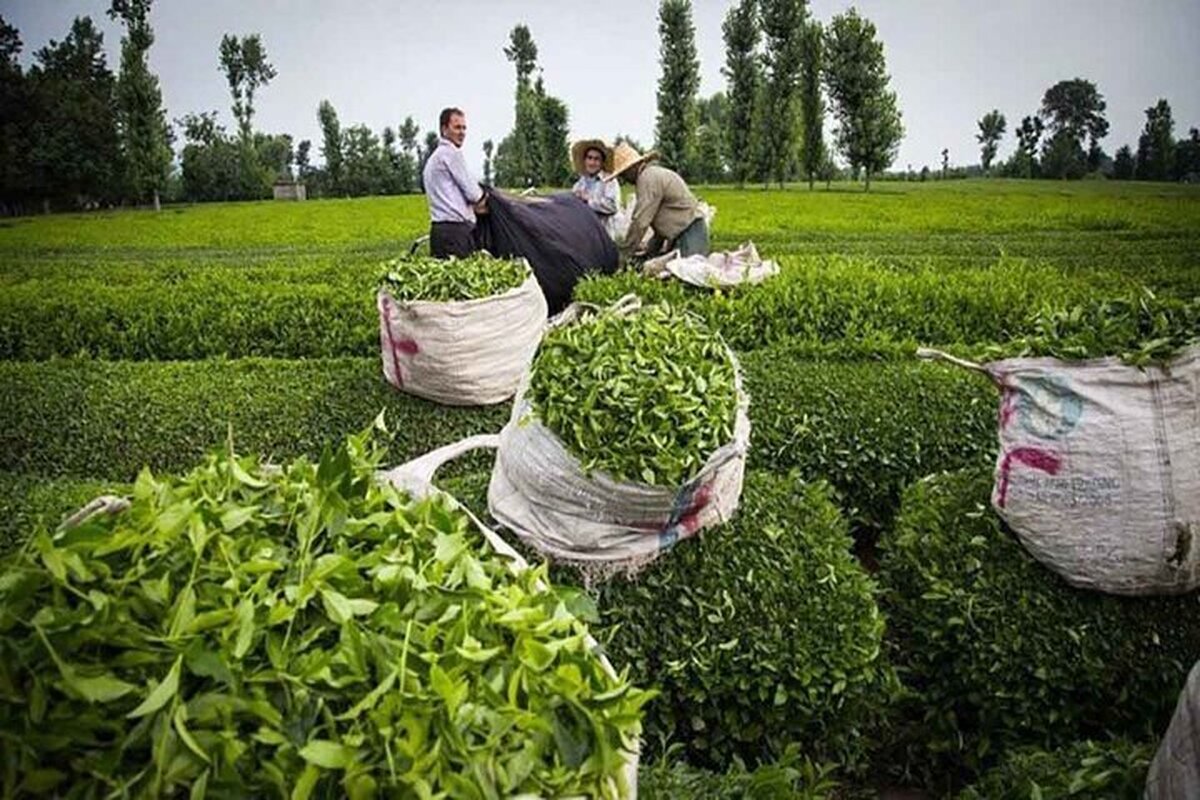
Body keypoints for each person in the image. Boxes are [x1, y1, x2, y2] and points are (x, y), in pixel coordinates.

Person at [608, 141, 708, 258]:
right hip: (685, 233)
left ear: (632, 167)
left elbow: (640, 222)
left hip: (690, 233)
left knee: (683, 271)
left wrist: (624, 254)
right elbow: (659, 229)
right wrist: (649, 252)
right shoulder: (653, 174)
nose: (624, 178)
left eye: (623, 174)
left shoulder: (647, 179)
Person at [423, 107, 487, 258]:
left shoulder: (433, 159)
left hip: (439, 232)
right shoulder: (451, 153)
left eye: (464, 128)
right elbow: (474, 194)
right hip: (456, 232)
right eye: (457, 127)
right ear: (444, 129)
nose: (462, 132)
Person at [570, 139, 620, 238]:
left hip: (603, 234)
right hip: (583, 233)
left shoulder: (609, 181)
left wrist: (588, 200)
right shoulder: (579, 184)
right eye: (590, 158)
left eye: (597, 159)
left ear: (602, 163)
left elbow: (613, 206)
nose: (592, 162)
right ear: (585, 160)